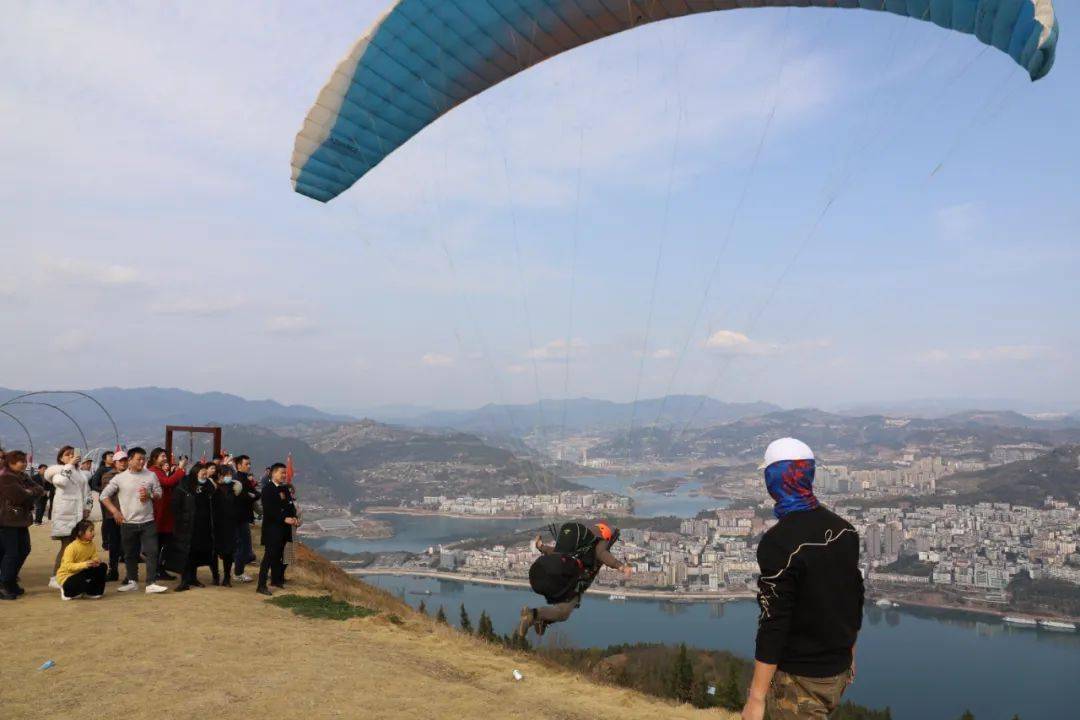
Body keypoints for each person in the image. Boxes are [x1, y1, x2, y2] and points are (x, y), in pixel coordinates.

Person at [740, 438, 864, 720]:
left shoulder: (779, 542)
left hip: (799, 679)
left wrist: (756, 698)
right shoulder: (844, 530)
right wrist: (850, 653)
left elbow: (774, 620)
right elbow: (853, 596)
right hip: (838, 670)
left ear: (773, 480)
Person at [518, 521, 632, 638]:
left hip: (561, 574)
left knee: (561, 607)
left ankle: (542, 619)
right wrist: (621, 566)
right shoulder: (602, 542)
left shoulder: (580, 541)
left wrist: (541, 547)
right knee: (563, 612)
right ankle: (533, 615)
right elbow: (602, 554)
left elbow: (556, 551)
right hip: (574, 580)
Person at [99, 447, 168, 594]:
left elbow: (159, 493)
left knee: (152, 551)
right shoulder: (119, 478)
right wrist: (115, 511)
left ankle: (151, 583)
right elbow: (103, 496)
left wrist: (149, 495)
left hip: (148, 521)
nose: (142, 462)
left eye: (144, 459)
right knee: (129, 554)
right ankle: (132, 581)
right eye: (139, 459)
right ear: (130, 460)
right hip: (128, 522)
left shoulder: (151, 475)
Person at [0, 450, 46, 599]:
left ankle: (10, 580)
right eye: (21, 461)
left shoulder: (23, 476)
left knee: (25, 549)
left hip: (20, 520)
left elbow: (39, 490)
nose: (24, 463)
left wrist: (28, 492)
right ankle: (5, 584)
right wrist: (29, 492)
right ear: (11, 462)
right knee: (11, 553)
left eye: (25, 461)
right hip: (7, 520)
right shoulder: (6, 477)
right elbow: (18, 496)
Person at [44, 446, 92, 590]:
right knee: (66, 547)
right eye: (67, 455)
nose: (71, 456)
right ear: (61, 458)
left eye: (73, 454)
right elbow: (61, 483)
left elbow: (87, 492)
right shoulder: (58, 471)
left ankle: (72, 575)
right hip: (65, 515)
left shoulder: (81, 474)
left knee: (80, 547)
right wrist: (69, 465)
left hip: (79, 515)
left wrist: (87, 508)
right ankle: (55, 577)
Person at [167, 464, 216, 591]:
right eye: (203, 473)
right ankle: (184, 580)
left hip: (203, 526)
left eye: (206, 473)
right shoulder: (184, 486)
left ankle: (193, 578)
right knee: (185, 554)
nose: (205, 475)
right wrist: (182, 520)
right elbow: (175, 506)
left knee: (197, 552)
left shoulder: (209, 487)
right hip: (186, 526)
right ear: (196, 473)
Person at [256, 463, 298, 596]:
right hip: (272, 529)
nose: (284, 475)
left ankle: (276, 580)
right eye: (282, 473)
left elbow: (290, 506)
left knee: (280, 556)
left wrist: (294, 517)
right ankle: (261, 585)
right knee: (269, 557)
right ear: (273, 473)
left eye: (285, 473)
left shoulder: (285, 489)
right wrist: (284, 519)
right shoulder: (267, 489)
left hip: (284, 530)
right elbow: (269, 510)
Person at [148, 448, 185, 581]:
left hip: (165, 512)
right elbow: (167, 482)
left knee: (164, 542)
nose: (165, 458)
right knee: (161, 542)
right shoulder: (153, 471)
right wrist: (180, 469)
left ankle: (161, 569)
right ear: (154, 458)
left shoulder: (159, 471)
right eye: (162, 456)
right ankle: (158, 570)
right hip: (160, 512)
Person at [56, 519, 107, 600]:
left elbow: (94, 556)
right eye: (90, 530)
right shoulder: (72, 547)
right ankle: (65, 590)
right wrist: (85, 564)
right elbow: (67, 566)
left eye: (93, 530)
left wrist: (96, 561)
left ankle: (92, 592)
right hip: (67, 576)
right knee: (81, 584)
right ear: (81, 533)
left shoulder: (91, 544)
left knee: (102, 566)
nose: (93, 533)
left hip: (81, 572)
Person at [97, 450, 129, 581]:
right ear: (115, 463)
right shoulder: (108, 476)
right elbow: (108, 495)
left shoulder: (132, 474)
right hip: (113, 514)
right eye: (120, 461)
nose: (123, 463)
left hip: (129, 514)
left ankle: (130, 573)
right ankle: (113, 570)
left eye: (125, 460)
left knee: (128, 545)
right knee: (114, 544)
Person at [211, 466, 241, 587]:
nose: (229, 476)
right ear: (219, 476)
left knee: (228, 552)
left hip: (229, 525)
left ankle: (227, 577)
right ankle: (215, 576)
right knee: (214, 551)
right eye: (226, 474)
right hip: (215, 524)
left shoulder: (233, 489)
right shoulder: (213, 489)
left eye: (230, 474)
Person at [231, 455, 259, 582]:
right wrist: (250, 496)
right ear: (239, 465)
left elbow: (256, 494)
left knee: (245, 546)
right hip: (238, 518)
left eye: (249, 463)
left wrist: (250, 496)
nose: (249, 466)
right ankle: (238, 573)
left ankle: (238, 569)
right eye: (246, 464)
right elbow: (244, 498)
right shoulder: (236, 480)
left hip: (244, 517)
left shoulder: (245, 479)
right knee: (242, 546)